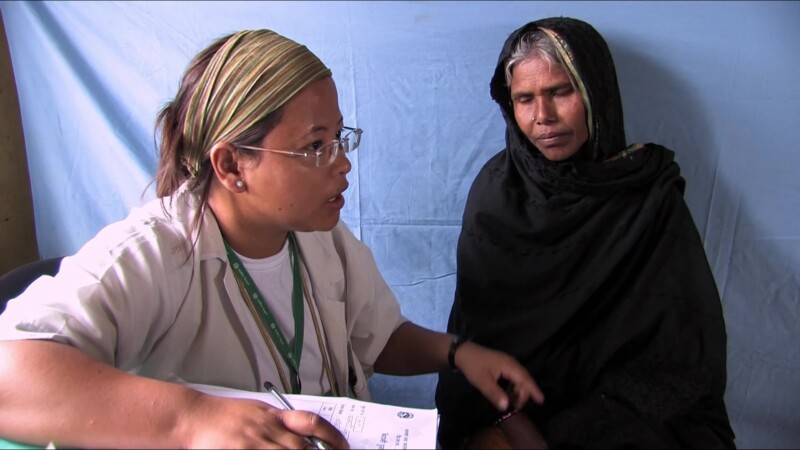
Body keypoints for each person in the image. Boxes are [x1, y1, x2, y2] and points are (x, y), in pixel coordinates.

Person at [0, 29, 543, 449]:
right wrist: (191, 420)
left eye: (339, 137)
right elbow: (11, 374)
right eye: (314, 146)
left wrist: (457, 353)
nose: (343, 164)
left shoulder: (318, 236)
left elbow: (375, 337)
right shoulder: (156, 250)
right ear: (234, 165)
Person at [435, 17, 736, 449]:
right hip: (510, 415)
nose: (543, 117)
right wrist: (518, 427)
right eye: (524, 99)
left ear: (596, 91)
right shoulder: (497, 195)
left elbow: (678, 363)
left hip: (622, 419)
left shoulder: (647, 198)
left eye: (560, 92)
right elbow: (478, 347)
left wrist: (573, 435)